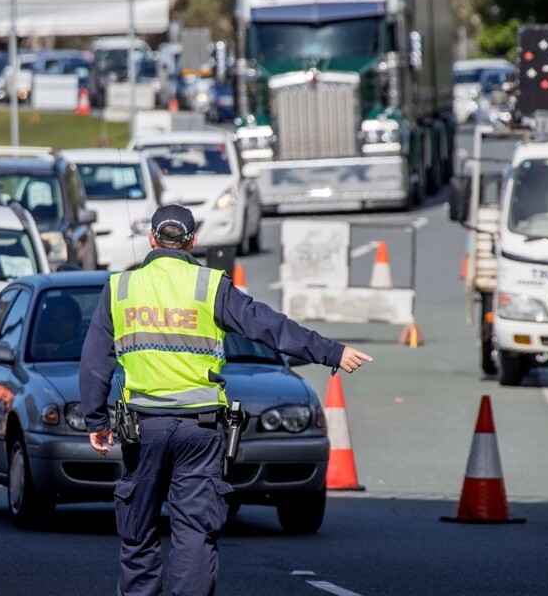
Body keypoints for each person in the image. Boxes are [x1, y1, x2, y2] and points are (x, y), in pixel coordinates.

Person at [78, 205, 373, 596]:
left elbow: (95, 361)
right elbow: (269, 326)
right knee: (195, 533)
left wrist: (96, 421)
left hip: (142, 428)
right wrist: (331, 352)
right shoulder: (210, 286)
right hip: (200, 432)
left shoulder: (120, 288)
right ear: (193, 241)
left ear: (151, 239)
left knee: (138, 531)